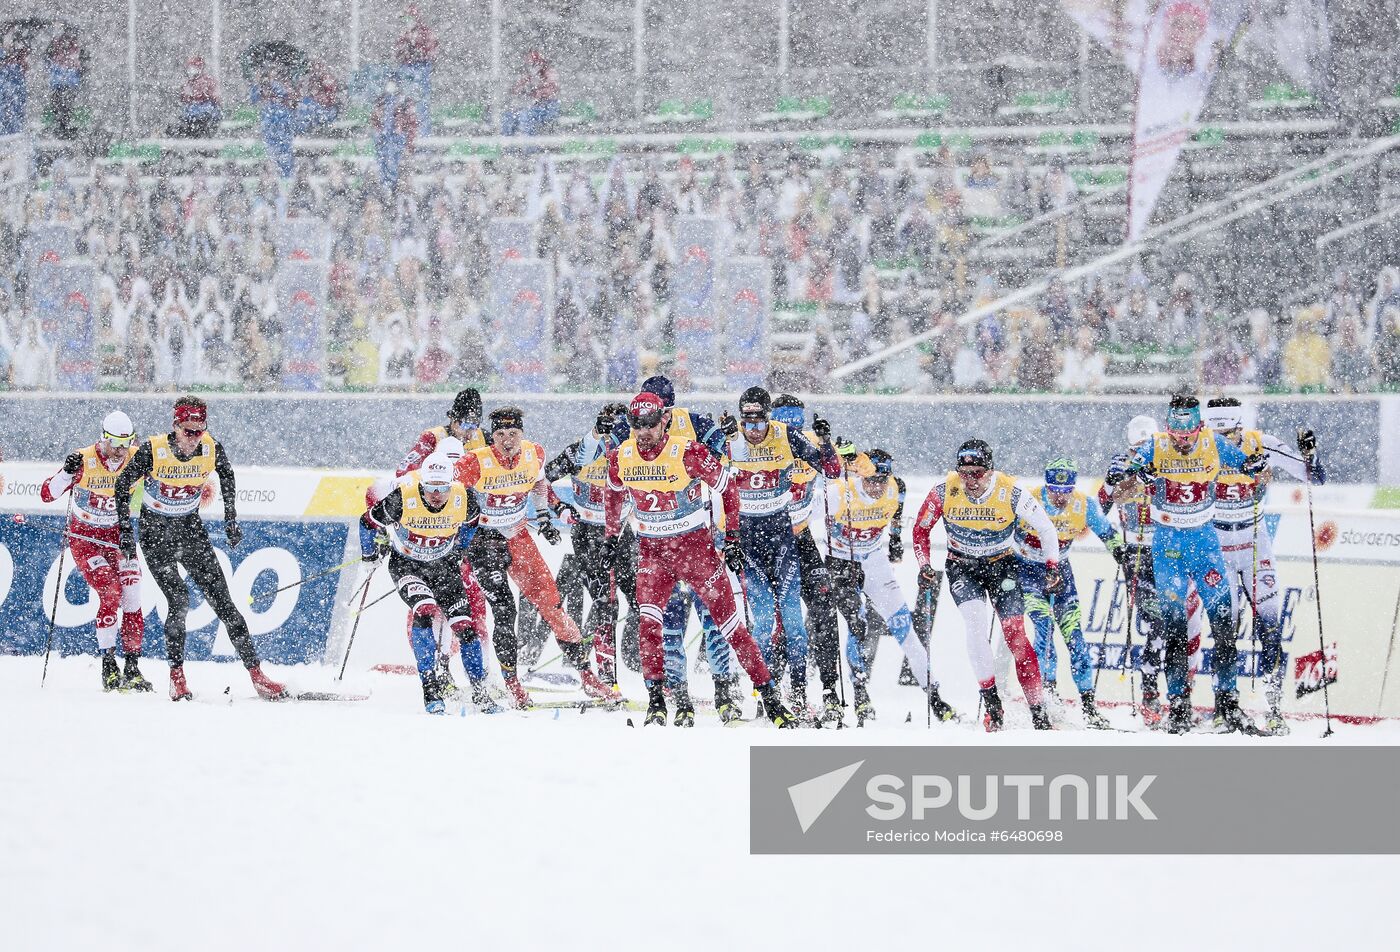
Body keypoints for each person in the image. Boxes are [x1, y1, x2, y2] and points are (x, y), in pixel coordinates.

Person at [603, 392, 795, 728]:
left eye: (650, 424)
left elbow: (728, 488)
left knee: (730, 627)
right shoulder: (622, 456)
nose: (644, 431)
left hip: (696, 551)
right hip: (653, 552)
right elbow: (613, 494)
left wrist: (732, 537)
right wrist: (609, 537)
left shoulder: (687, 451)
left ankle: (769, 695)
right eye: (637, 425)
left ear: (664, 420)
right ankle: (657, 701)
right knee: (649, 624)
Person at [1106, 394, 1268, 734]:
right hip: (1168, 546)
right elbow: (1121, 491)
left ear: (1199, 428)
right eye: (1176, 436)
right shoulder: (1155, 446)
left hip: (1205, 542)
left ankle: (1227, 704)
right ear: (1168, 430)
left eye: (1188, 435)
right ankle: (1179, 707)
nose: (1182, 442)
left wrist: (1258, 469)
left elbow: (1257, 474)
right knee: (1176, 629)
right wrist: (1126, 477)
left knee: (1224, 623)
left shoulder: (1213, 444)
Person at [114, 395, 287, 701]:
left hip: (189, 530)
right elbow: (121, 485)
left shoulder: (211, 448)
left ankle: (257, 675)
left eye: (200, 430)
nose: (195, 438)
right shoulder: (153, 450)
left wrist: (230, 521)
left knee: (224, 602)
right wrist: (126, 531)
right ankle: (177, 677)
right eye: (188, 431)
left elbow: (228, 476)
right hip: (156, 534)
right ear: (176, 425)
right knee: (179, 600)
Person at [454, 406, 619, 708]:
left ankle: (588, 676)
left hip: (518, 536)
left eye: (513, 434)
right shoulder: (475, 461)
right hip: (484, 542)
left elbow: (540, 484)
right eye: (501, 434)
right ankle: (513, 684)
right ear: (493, 437)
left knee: (553, 606)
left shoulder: (534, 453)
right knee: (504, 611)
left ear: (522, 434)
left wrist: (544, 516)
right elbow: (445, 492)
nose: (507, 440)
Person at [614, 375, 739, 721]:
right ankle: (678, 696)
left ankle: (725, 692)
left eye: (660, 412)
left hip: (696, 536)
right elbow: (617, 464)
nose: (652, 423)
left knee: (712, 618)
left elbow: (723, 470)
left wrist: (728, 437)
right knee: (670, 621)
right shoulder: (638, 430)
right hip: (657, 541)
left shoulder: (696, 423)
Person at [912, 439, 1056, 731]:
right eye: (965, 473)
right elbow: (920, 530)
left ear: (990, 471)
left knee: (1016, 635)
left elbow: (1046, 528)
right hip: (963, 567)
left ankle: (1039, 712)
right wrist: (924, 564)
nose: (970, 480)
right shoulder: (943, 491)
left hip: (1001, 566)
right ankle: (993, 706)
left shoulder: (1010, 491)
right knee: (976, 625)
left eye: (977, 473)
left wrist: (1051, 566)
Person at [1201, 397, 1326, 734]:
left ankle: (1274, 709)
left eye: (1227, 432)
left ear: (1238, 424)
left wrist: (1310, 456)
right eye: (1216, 433)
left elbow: (1315, 477)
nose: (1223, 441)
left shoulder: (1262, 444)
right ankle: (1223, 709)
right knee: (1223, 631)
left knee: (1270, 629)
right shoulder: (1202, 449)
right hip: (1218, 548)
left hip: (1256, 546)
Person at [723, 386, 841, 722]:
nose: (755, 430)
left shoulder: (787, 437)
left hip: (786, 538)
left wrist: (826, 444)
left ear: (769, 418)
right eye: (748, 422)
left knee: (795, 622)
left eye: (760, 421)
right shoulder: (731, 441)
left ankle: (804, 689)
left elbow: (831, 470)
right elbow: (701, 477)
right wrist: (726, 539)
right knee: (761, 624)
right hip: (748, 541)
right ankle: (765, 693)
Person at [824, 449, 958, 726]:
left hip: (874, 561)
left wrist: (895, 539)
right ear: (861, 475)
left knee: (903, 625)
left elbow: (897, 515)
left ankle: (934, 696)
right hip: (840, 561)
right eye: (871, 480)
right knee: (857, 623)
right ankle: (860, 695)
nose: (876, 487)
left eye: (882, 480)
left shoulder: (897, 488)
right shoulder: (839, 491)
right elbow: (799, 514)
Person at [360, 452, 497, 714]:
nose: (436, 494)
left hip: (443, 567)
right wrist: (371, 553)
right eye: (431, 488)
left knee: (465, 626)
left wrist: (460, 549)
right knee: (423, 610)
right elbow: (367, 521)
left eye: (442, 488)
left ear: (450, 484)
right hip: (408, 566)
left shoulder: (464, 497)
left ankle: (481, 695)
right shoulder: (403, 497)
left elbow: (471, 522)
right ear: (422, 484)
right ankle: (431, 690)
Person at [39, 411, 150, 692]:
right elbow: (47, 494)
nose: (121, 451)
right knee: (111, 592)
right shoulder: (85, 459)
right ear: (103, 439)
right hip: (86, 538)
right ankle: (109, 664)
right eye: (115, 444)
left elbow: (165, 479)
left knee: (133, 592)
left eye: (126, 444)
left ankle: (133, 667)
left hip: (118, 535)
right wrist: (66, 472)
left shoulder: (136, 458)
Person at [1015, 457, 1124, 728]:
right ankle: (1048, 696)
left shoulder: (1083, 504)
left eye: (1066, 491)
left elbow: (1108, 533)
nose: (1060, 496)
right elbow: (1004, 526)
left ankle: (1089, 706)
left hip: (1061, 573)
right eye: (1054, 490)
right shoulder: (1030, 498)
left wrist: (1125, 556)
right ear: (1046, 485)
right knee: (1044, 628)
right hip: (1028, 571)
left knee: (1074, 635)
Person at [543, 401, 637, 684]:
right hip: (589, 535)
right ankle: (607, 680)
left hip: (622, 534)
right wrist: (559, 508)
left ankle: (646, 669)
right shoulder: (582, 451)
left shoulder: (635, 452)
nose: (616, 436)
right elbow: (542, 478)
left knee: (642, 602)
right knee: (606, 605)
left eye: (623, 429)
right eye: (610, 430)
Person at [1099, 415, 1169, 726]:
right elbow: (1099, 509)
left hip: (1169, 550)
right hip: (1137, 552)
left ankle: (1177, 692)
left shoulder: (1165, 462)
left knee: (1176, 623)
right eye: (1136, 447)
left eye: (1146, 445)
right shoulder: (1123, 466)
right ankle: (1150, 689)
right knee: (1156, 620)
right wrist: (1110, 481)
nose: (1141, 452)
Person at [394, 4, 438, 136]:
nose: (406, 23)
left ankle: (422, 136)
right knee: (406, 105)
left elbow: (431, 51)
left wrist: (418, 54)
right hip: (406, 71)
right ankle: (409, 135)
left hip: (420, 72)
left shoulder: (425, 33)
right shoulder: (405, 34)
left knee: (420, 105)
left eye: (408, 19)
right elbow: (398, 52)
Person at [502, 49, 560, 137]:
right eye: (528, 63)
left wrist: (536, 91)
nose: (531, 66)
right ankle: (508, 145)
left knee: (526, 118)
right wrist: (523, 86)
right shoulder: (527, 76)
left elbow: (550, 90)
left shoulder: (549, 72)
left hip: (547, 106)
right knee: (508, 116)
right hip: (532, 106)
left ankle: (529, 146)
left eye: (533, 63)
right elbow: (515, 90)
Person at [171, 56, 221, 137]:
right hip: (192, 117)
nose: (191, 70)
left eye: (193, 67)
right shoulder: (189, 82)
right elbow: (185, 97)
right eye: (190, 68)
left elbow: (212, 97)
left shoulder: (207, 80)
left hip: (204, 117)